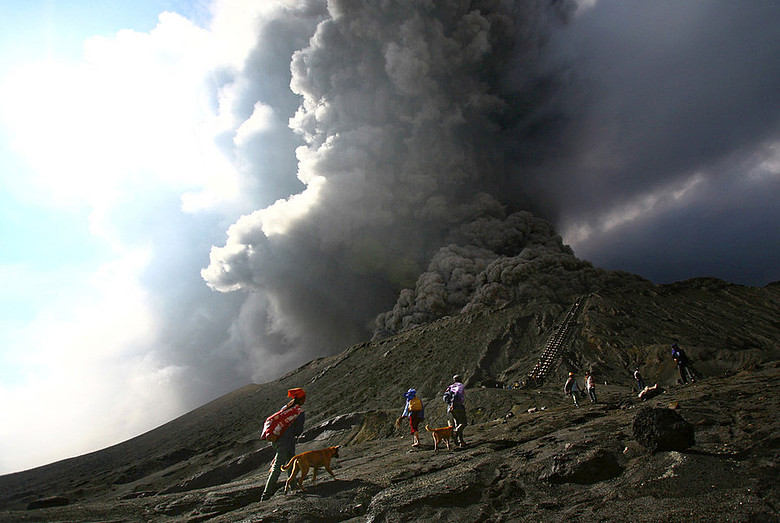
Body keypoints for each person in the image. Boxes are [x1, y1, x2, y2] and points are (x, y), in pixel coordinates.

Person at [262, 388, 306, 500]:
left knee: (291, 464)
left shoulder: (285, 408)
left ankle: (293, 487)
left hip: (277, 441)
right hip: (287, 442)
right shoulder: (299, 412)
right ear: (301, 399)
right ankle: (266, 494)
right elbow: (298, 430)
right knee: (278, 467)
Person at [443, 375, 468, 447]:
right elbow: (456, 394)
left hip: (450, 408)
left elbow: (444, 396)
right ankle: (455, 433)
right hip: (458, 406)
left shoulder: (450, 387)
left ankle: (461, 441)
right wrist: (453, 404)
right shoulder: (460, 386)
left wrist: (450, 404)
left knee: (457, 423)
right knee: (463, 423)